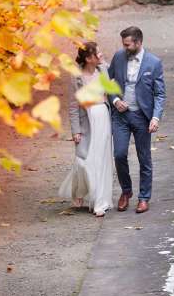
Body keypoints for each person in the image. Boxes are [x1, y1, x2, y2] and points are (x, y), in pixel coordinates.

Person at [107, 26, 166, 214]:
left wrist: (155, 117)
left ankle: (144, 197)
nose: (124, 47)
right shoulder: (118, 57)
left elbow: (160, 94)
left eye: (127, 44)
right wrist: (115, 100)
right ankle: (126, 191)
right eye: (123, 44)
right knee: (119, 154)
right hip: (121, 117)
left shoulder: (154, 63)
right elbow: (107, 81)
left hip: (142, 117)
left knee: (144, 158)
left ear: (138, 42)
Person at [58, 42, 113, 217]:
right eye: (98, 53)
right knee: (82, 160)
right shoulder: (77, 77)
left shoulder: (103, 70)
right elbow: (73, 105)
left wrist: (103, 66)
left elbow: (111, 89)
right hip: (86, 121)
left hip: (102, 117)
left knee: (101, 159)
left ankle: (99, 201)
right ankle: (80, 192)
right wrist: (75, 130)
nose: (101, 55)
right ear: (89, 58)